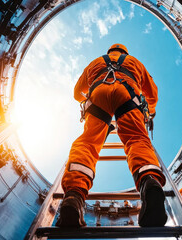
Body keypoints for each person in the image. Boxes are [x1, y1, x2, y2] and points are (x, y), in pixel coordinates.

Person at [55, 44, 167, 228]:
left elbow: (77, 92)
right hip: (129, 96)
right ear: (125, 52)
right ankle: (149, 181)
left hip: (98, 95)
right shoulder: (134, 62)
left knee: (88, 143)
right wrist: (149, 112)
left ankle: (74, 196)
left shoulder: (96, 62)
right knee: (136, 138)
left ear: (109, 52)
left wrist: (87, 101)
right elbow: (152, 93)